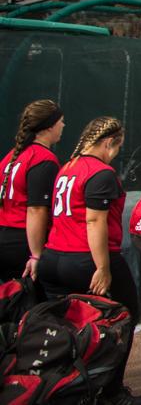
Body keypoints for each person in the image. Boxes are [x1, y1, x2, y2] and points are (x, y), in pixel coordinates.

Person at [39, 117, 141, 405]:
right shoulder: (101, 172)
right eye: (116, 147)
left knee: (68, 329)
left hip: (53, 256)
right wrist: (103, 267)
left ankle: (66, 391)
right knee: (124, 317)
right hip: (85, 259)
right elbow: (94, 221)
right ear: (108, 142)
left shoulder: (67, 167)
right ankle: (111, 393)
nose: (116, 153)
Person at [0, 99, 63, 282]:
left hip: (5, 235)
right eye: (61, 122)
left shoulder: (11, 156)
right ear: (49, 126)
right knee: (31, 297)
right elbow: (36, 209)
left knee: (10, 296)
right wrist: (36, 254)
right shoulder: (42, 158)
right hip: (23, 241)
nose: (63, 126)